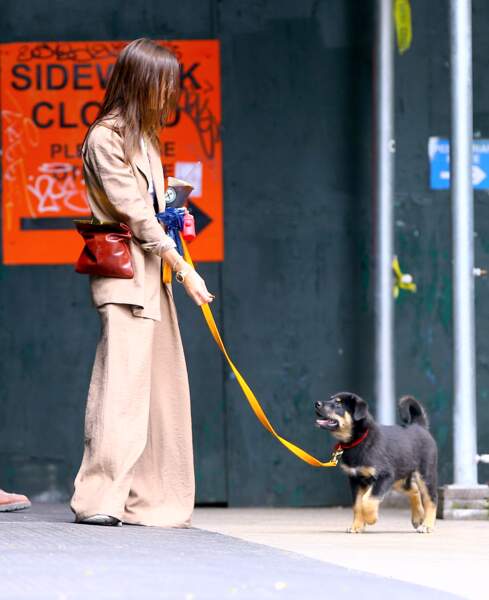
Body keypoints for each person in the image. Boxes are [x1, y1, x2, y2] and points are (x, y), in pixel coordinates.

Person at [70, 38, 214, 527]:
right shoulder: (105, 139)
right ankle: (97, 500)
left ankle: (148, 500)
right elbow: (134, 214)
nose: (171, 93)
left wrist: (175, 219)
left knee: (161, 396)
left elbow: (152, 215)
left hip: (154, 281)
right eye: (164, 83)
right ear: (140, 83)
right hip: (128, 282)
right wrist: (186, 268)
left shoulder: (145, 141)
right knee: (122, 393)